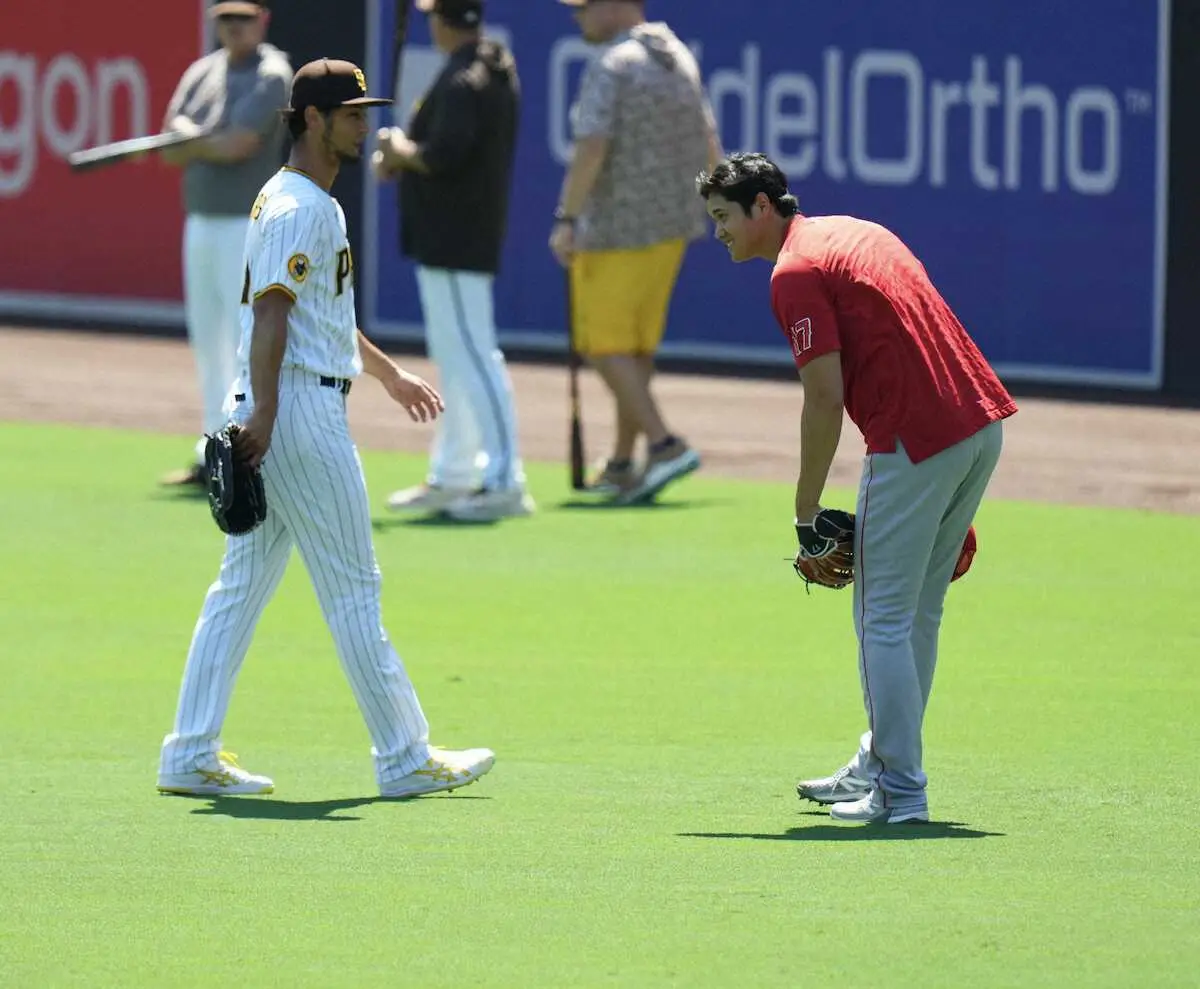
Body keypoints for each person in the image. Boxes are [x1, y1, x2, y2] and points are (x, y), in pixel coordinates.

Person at [157, 58, 496, 799]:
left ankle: (189, 750)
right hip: (295, 410)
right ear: (311, 118)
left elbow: (323, 315)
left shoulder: (304, 200)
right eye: (349, 112)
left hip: (282, 401)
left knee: (239, 588)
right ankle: (404, 755)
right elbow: (273, 313)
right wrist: (270, 413)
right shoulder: (298, 206)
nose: (362, 122)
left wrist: (386, 373)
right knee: (353, 589)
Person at [697, 152, 1018, 824]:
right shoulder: (855, 231)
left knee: (881, 618)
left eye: (724, 216)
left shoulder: (795, 272)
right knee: (915, 616)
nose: (718, 231)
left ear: (762, 206)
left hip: (913, 439)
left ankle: (901, 789)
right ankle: (882, 762)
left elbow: (822, 396)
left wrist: (804, 507)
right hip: (976, 425)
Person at [551, 0, 722, 504]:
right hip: (673, 226)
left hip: (616, 229)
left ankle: (664, 444)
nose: (576, 15)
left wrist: (567, 217)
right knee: (634, 349)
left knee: (603, 346)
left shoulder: (613, 64)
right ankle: (625, 462)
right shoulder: (678, 57)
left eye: (584, 7)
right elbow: (708, 137)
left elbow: (592, 146)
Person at [372, 0, 533, 523]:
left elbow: (443, 154)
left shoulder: (469, 78)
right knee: (457, 355)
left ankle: (506, 480)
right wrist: (404, 155)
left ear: (444, 22)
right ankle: (456, 471)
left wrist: (399, 150)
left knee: (474, 354)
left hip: (459, 237)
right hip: (450, 236)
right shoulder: (480, 69)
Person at [158, 0, 293, 490]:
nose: (233, 28)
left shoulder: (273, 72)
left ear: (262, 20)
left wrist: (192, 139)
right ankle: (213, 450)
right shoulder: (202, 72)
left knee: (243, 342)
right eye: (224, 20)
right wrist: (198, 140)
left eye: (242, 18)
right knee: (208, 341)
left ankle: (247, 454)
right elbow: (168, 146)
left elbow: (239, 143)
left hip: (246, 223)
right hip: (201, 220)